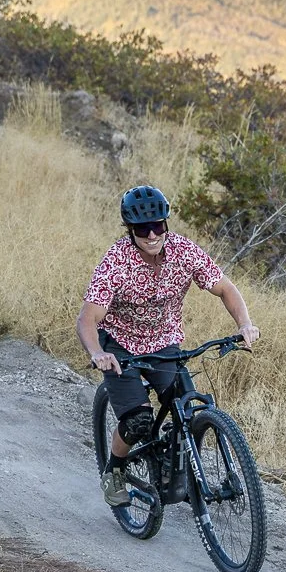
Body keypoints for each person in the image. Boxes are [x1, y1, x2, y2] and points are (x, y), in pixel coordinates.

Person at [76, 185, 260, 507]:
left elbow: (225, 289)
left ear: (166, 224)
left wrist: (244, 324)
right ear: (130, 229)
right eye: (142, 229)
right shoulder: (116, 262)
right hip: (120, 345)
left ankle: (179, 472)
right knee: (138, 422)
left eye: (157, 226)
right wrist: (97, 353)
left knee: (188, 404)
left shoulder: (183, 251)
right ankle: (114, 471)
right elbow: (88, 319)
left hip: (164, 342)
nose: (151, 235)